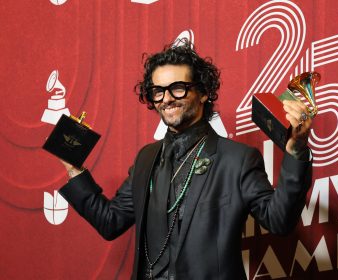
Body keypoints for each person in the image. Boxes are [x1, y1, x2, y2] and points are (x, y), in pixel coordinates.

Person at [59, 41, 313, 280]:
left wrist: (296, 152)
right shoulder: (146, 158)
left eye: (177, 88)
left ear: (203, 93)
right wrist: (73, 169)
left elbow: (278, 220)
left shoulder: (237, 159)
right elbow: (110, 222)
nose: (166, 98)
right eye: (157, 92)